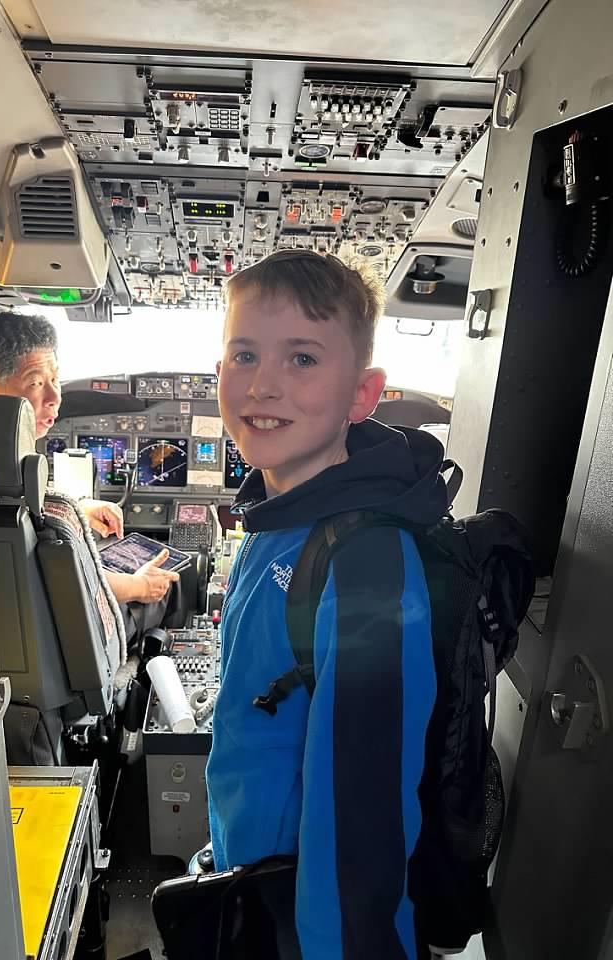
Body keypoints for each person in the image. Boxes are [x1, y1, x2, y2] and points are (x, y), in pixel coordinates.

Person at [206, 250, 449, 959]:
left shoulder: (365, 564)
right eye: (244, 355)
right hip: (252, 881)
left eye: (303, 359)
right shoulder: (276, 520)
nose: (263, 385)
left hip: (307, 923)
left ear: (362, 395)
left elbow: (361, 828)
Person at [0, 311, 178, 610]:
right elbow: (75, 583)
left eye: (55, 379)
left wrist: (77, 508)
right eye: (36, 383)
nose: (55, 396)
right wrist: (140, 586)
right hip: (70, 621)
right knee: (169, 590)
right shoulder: (4, 483)